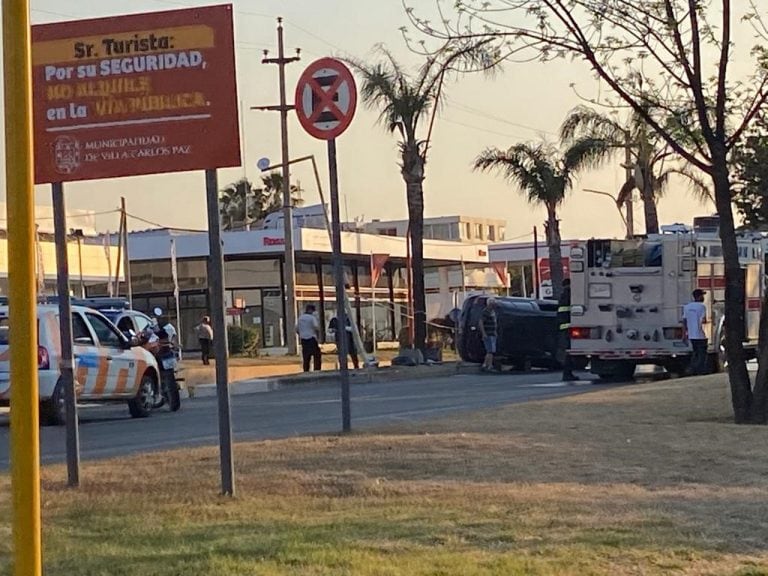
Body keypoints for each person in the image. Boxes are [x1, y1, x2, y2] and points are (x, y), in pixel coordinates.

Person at [682, 288, 708, 375]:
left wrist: (685, 334)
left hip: (691, 335)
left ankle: (692, 368)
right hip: (700, 334)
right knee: (702, 354)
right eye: (702, 295)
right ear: (699, 296)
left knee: (695, 352)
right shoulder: (702, 307)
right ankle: (698, 370)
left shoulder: (687, 307)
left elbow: (684, 321)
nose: (703, 297)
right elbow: (703, 320)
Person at [558, 279, 577, 382]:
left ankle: (568, 373)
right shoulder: (569, 294)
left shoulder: (563, 295)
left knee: (568, 351)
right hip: (568, 327)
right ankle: (567, 374)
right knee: (569, 352)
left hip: (564, 327)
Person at [296, 304, 322, 372]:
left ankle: (306, 370)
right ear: (310, 310)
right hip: (312, 338)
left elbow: (297, 329)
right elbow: (316, 327)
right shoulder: (312, 318)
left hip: (304, 339)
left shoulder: (300, 318)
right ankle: (317, 369)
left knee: (306, 356)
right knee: (317, 355)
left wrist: (301, 334)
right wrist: (318, 337)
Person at [478, 297, 498, 372]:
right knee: (490, 351)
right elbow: (481, 322)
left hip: (492, 333)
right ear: (490, 304)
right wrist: (484, 333)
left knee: (490, 351)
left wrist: (495, 331)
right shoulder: (485, 311)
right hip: (488, 334)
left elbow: (494, 322)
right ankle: (489, 366)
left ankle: (485, 365)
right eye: (493, 303)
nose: (495, 305)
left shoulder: (493, 311)